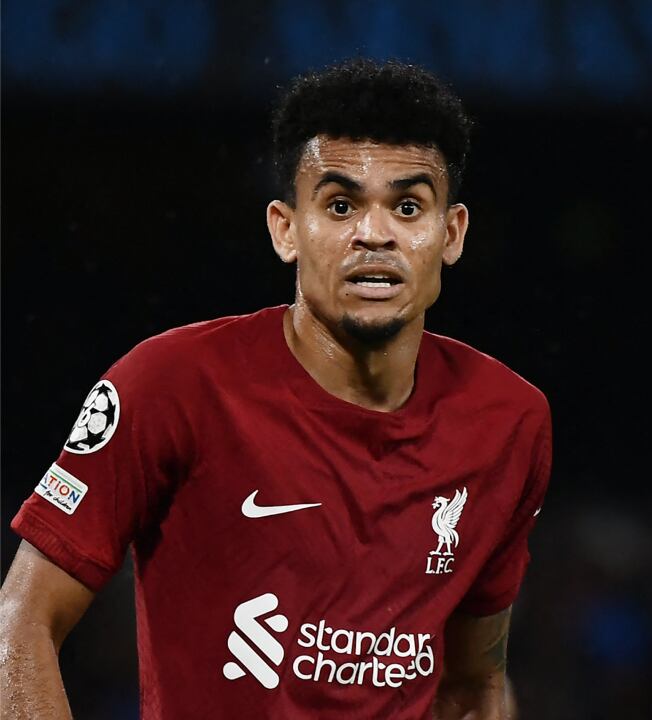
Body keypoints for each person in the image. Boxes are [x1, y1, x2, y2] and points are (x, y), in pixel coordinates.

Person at [0, 59, 550, 719]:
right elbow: (21, 624)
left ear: (451, 233)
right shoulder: (173, 384)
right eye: (341, 205)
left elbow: (474, 684)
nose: (374, 235)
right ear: (285, 229)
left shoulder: (508, 421)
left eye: (408, 206)